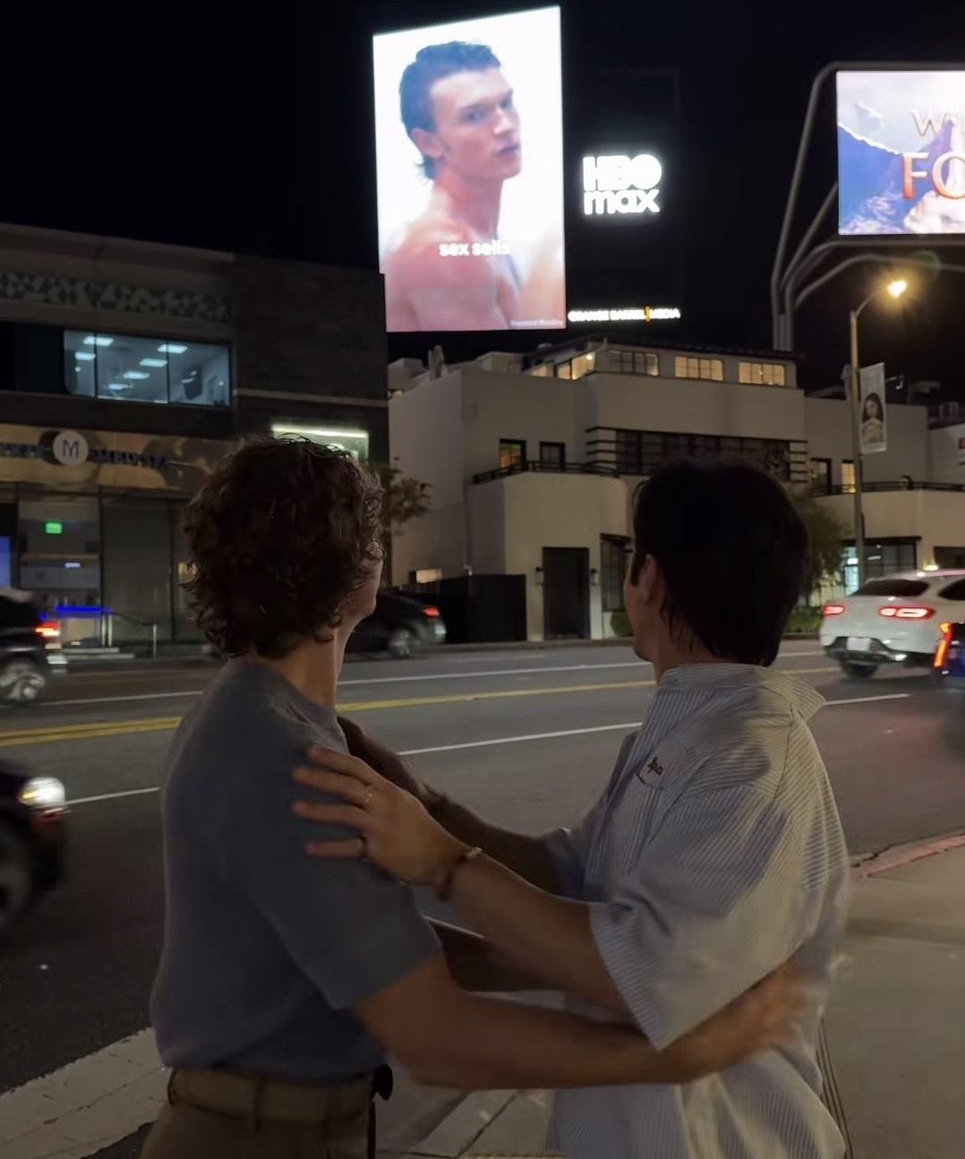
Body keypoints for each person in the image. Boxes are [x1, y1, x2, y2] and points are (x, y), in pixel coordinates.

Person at [143, 440, 804, 1159]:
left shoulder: (282, 721)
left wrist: (440, 826)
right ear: (364, 567)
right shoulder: (284, 756)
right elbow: (434, 1038)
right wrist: (676, 1055)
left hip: (294, 1125)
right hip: (254, 1138)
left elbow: (389, 948)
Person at [384, 40, 565, 331]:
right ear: (428, 142)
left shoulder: (477, 238)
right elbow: (487, 372)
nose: (505, 125)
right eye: (475, 115)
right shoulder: (440, 250)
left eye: (506, 103)